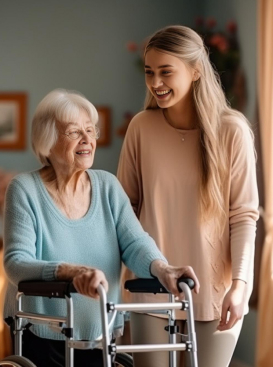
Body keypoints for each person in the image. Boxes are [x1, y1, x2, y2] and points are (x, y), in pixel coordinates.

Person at [3, 89, 200, 367]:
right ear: (47, 140)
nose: (87, 140)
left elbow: (135, 242)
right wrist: (71, 272)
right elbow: (16, 263)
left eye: (90, 130)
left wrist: (162, 268)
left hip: (101, 329)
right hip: (41, 328)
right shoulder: (24, 190)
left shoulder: (107, 186)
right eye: (74, 132)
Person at [117, 25, 259, 367]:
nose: (156, 83)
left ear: (196, 70)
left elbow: (243, 217)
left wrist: (240, 287)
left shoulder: (232, 131)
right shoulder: (141, 128)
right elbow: (122, 214)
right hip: (148, 289)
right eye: (150, 72)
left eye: (166, 71)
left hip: (215, 290)